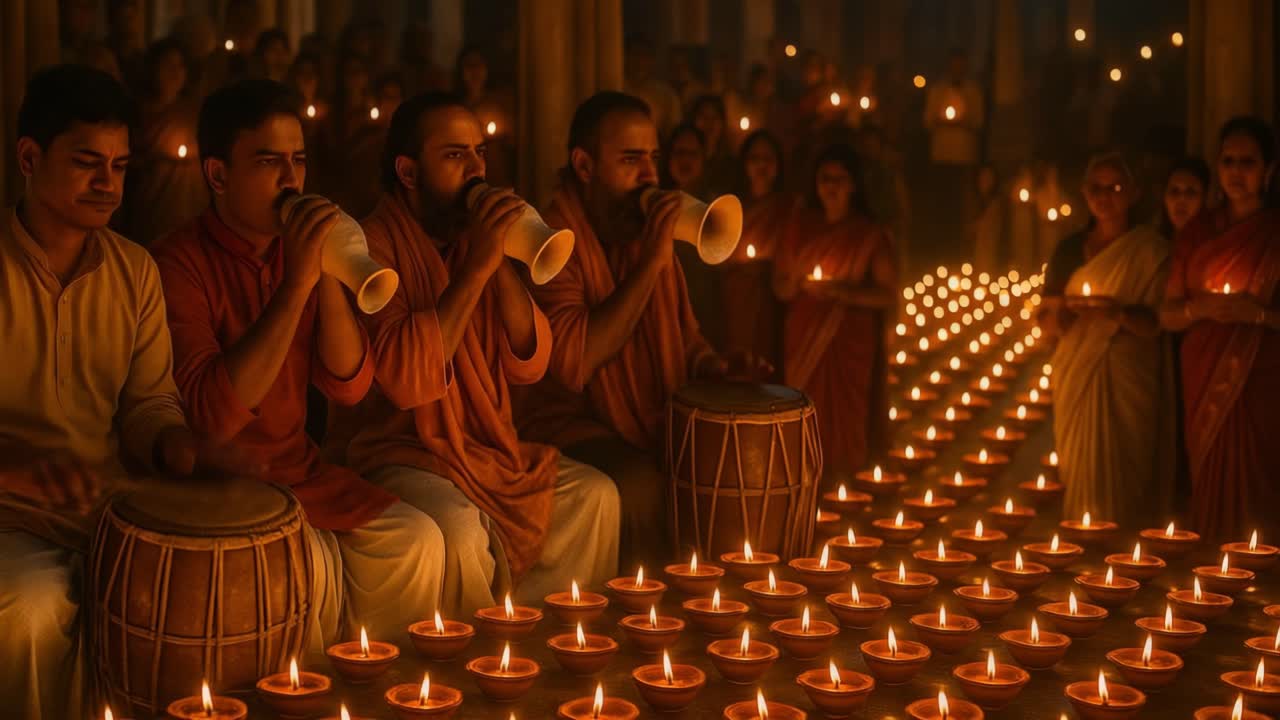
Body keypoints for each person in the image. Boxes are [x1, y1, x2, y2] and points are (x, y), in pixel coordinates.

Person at [151, 79, 445, 655]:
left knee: (417, 540)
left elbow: (351, 384)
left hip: (301, 472)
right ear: (217, 175)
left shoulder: (298, 252)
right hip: (223, 484)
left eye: (299, 161)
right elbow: (212, 418)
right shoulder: (174, 263)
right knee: (304, 567)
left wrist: (328, 270)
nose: (291, 179)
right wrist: (296, 285)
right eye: (269, 162)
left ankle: (385, 689)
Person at [330, 93, 620, 614]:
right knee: (462, 530)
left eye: (479, 152)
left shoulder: (472, 240)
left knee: (596, 496)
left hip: (485, 449)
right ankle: (477, 653)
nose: (476, 168)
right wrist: (478, 266)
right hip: (400, 451)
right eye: (454, 154)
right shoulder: (367, 247)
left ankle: (553, 640)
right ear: (409, 172)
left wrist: (497, 259)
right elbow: (406, 380)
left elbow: (530, 361)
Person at [0, 65, 199, 720]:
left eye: (119, 166)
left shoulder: (134, 271)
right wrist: (19, 468)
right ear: (30, 158)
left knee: (193, 589)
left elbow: (149, 402)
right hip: (8, 516)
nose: (108, 184)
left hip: (98, 510)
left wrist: (172, 443)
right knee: (29, 602)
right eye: (88, 164)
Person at [515, 91, 766, 567]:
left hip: (642, 416)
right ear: (584, 166)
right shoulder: (550, 240)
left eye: (653, 158)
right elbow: (577, 361)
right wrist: (651, 263)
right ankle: (642, 604)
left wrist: (716, 365)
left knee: (741, 457)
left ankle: (715, 592)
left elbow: (682, 337)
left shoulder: (638, 229)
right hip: (563, 424)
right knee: (642, 484)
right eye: (631, 160)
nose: (650, 175)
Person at [1160, 117, 1280, 540]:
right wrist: (1202, 308)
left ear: (1268, 169)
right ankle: (1209, 565)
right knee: (1210, 473)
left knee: (1261, 478)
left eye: (1248, 162)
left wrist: (1257, 315)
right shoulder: (1198, 231)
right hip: (1203, 371)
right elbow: (1166, 315)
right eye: (1228, 161)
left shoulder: (1274, 232)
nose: (1236, 171)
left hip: (1263, 377)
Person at [1040, 152, 1175, 526]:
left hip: (1129, 374)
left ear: (1133, 192)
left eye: (1114, 188)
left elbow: (1158, 323)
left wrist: (1116, 314)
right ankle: (1082, 540)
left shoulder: (1150, 250)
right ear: (1085, 193)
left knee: (1128, 467)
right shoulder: (1069, 251)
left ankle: (1124, 548)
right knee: (1081, 466)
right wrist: (1065, 314)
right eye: (1096, 188)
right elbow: (1047, 320)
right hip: (1076, 372)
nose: (1104, 197)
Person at [775, 144, 896, 479]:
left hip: (849, 341)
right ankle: (802, 481)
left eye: (839, 179)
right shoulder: (800, 226)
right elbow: (780, 287)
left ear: (853, 185)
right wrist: (798, 280)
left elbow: (887, 295)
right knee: (804, 410)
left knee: (845, 415)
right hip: (803, 333)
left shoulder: (868, 234)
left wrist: (842, 292)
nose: (830, 186)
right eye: (824, 179)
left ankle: (845, 486)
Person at [119, 38, 207, 248]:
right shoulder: (136, 114)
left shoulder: (194, 112)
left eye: (180, 65)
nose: (175, 72)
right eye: (168, 65)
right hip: (153, 208)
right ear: (153, 69)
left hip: (190, 206)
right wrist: (155, 158)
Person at [720, 130, 795, 372]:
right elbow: (716, 256)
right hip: (735, 300)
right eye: (755, 158)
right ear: (744, 164)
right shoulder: (729, 208)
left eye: (768, 158)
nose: (761, 164)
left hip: (771, 301)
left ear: (778, 165)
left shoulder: (789, 208)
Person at [922, 49, 985, 263]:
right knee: (943, 202)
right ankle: (942, 245)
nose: (957, 69)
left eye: (961, 65)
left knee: (963, 203)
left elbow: (978, 121)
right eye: (954, 65)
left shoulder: (973, 91)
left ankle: (961, 247)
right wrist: (943, 120)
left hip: (964, 156)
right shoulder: (937, 90)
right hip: (941, 155)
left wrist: (962, 120)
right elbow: (928, 120)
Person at [624, 36, 681, 136]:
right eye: (635, 54)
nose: (640, 61)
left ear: (652, 60)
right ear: (625, 57)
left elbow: (674, 131)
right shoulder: (617, 87)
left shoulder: (666, 95)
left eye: (645, 55)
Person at [1160, 156, 1210, 238]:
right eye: (1174, 191)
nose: (1181, 199)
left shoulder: (1216, 243)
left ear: (1204, 198)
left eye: (1191, 192)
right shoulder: (1150, 242)